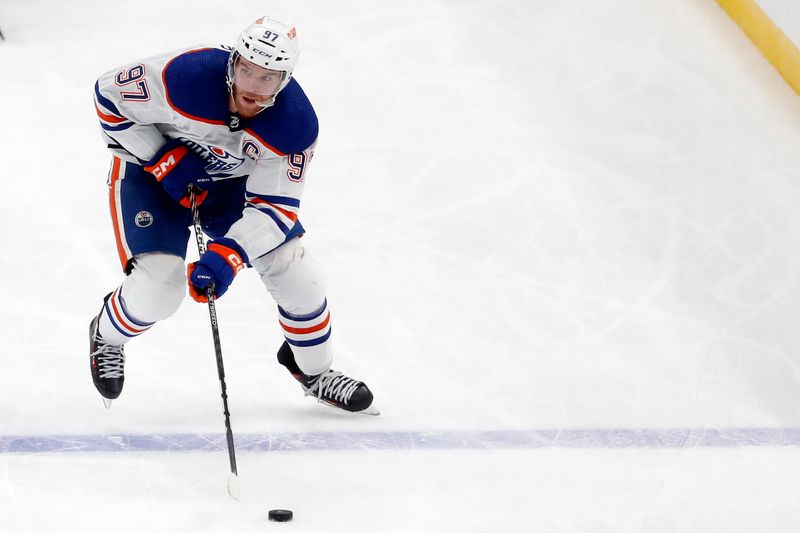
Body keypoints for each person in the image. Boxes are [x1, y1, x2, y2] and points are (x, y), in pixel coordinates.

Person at [89, 16, 377, 415]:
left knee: (298, 274)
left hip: (228, 189)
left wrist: (230, 254)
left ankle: (313, 371)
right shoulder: (184, 76)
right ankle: (107, 336)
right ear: (232, 63)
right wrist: (159, 155)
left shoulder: (294, 124)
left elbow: (275, 206)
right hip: (151, 178)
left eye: (267, 78)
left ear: (285, 79)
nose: (250, 87)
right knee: (159, 292)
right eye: (246, 70)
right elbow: (109, 96)